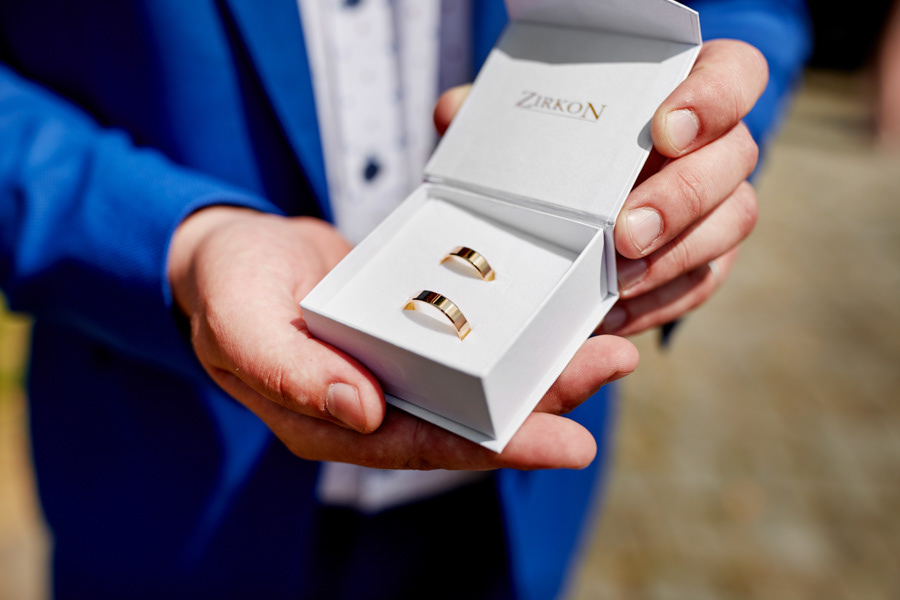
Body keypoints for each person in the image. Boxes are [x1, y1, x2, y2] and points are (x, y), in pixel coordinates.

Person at [0, 0, 810, 598]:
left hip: (504, 522)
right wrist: (187, 241)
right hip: (175, 496)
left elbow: (751, 9)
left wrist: (700, 147)